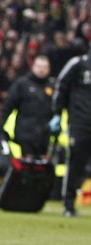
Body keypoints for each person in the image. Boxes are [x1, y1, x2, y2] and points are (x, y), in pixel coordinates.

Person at [50, 51, 91, 218]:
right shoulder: (78, 64)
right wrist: (57, 113)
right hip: (80, 123)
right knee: (75, 163)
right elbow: (62, 84)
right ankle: (68, 203)